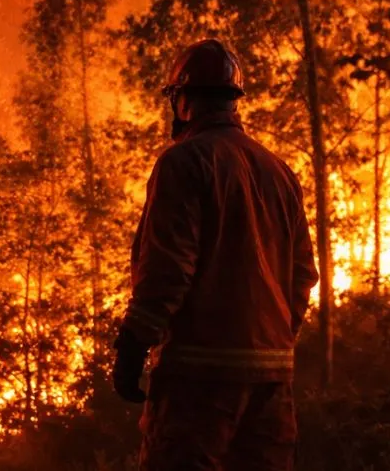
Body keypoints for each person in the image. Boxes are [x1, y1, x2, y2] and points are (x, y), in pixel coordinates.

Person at [112, 40, 319, 471]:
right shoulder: (280, 171)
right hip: (272, 383)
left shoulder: (184, 162)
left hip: (198, 384)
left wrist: (133, 346)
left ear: (183, 99)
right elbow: (302, 276)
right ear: (232, 102)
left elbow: (168, 271)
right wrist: (271, 338)